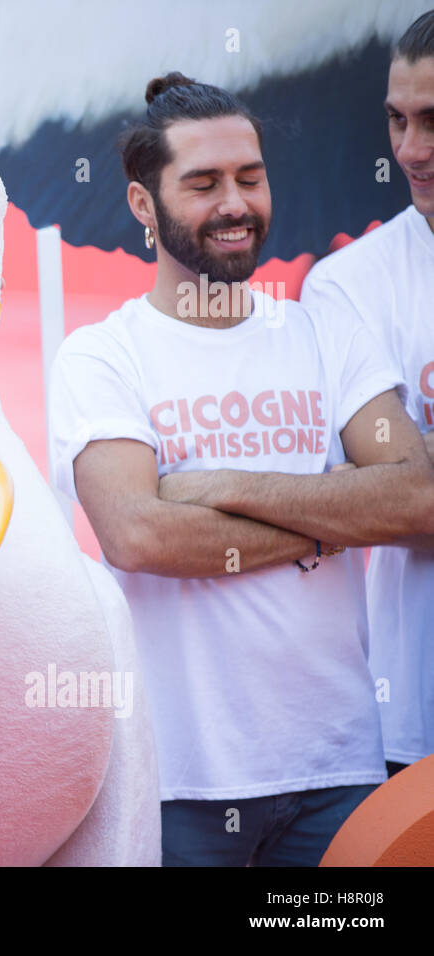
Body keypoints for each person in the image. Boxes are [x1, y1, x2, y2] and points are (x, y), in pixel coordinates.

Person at [47, 73, 434, 866]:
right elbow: (139, 535)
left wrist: (220, 486)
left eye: (249, 179)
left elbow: (419, 497)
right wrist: (332, 518)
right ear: (142, 206)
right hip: (180, 782)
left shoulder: (325, 331)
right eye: (204, 183)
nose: (235, 203)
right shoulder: (102, 355)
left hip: (340, 773)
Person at [300, 9, 434, 779]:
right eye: (396, 120)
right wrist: (395, 485)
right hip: (411, 723)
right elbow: (387, 503)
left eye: (432, 120)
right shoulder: (350, 283)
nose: (411, 151)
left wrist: (411, 464)